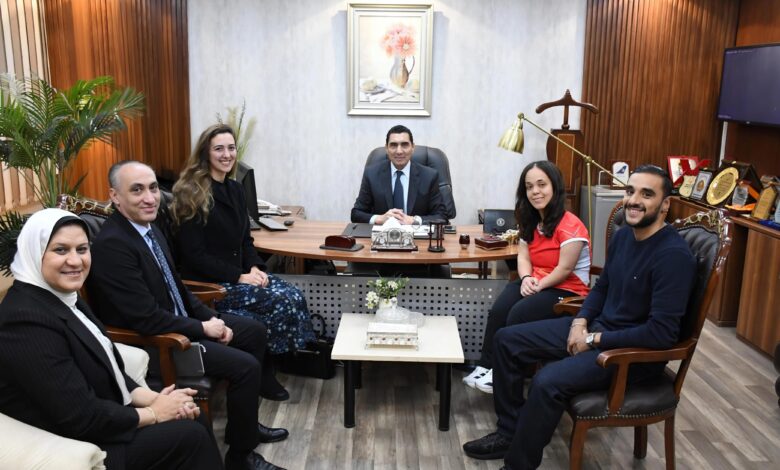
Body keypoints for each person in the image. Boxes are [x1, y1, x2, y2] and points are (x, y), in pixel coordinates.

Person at [462, 165, 697, 470]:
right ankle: (510, 433)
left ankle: (517, 465)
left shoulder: (673, 256)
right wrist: (580, 322)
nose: (634, 200)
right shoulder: (625, 237)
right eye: (630, 191)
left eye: (646, 194)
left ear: (665, 204)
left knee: (546, 381)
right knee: (506, 340)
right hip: (599, 330)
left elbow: (661, 334)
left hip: (629, 354)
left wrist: (594, 339)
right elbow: (602, 289)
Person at [86, 161, 287, 470]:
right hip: (158, 344)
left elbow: (176, 286)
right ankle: (240, 458)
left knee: (255, 331)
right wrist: (203, 328)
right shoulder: (113, 245)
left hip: (179, 324)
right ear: (115, 196)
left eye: (153, 188)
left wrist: (211, 319)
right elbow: (145, 319)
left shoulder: (149, 229)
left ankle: (243, 427)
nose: (149, 198)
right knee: (245, 367)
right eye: (137, 190)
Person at [0, 208, 224, 470]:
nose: (75, 261)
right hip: (76, 443)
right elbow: (79, 417)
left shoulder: (64, 297)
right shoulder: (24, 320)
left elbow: (108, 368)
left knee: (190, 417)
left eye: (82, 249)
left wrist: (154, 399)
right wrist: (154, 413)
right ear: (34, 252)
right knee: (190, 436)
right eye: (61, 250)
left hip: (102, 418)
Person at [170, 124, 315, 356]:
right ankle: (274, 362)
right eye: (219, 149)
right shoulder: (192, 194)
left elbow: (245, 240)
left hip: (239, 276)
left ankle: (290, 357)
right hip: (212, 285)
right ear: (206, 153)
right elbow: (194, 256)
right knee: (280, 301)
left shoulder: (235, 189)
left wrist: (255, 267)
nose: (227, 154)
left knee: (294, 294)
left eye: (231, 148)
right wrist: (240, 276)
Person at [464, 161, 591, 394]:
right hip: (536, 281)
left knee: (519, 313)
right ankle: (486, 365)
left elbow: (564, 269)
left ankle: (503, 373)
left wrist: (537, 285)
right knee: (499, 309)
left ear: (555, 187)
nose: (535, 191)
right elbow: (524, 256)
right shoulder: (531, 220)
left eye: (542, 185)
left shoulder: (571, 225)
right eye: (529, 186)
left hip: (567, 290)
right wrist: (525, 279)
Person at [351, 124, 448, 225]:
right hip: (383, 233)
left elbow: (441, 216)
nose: (399, 151)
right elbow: (356, 213)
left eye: (404, 145)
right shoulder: (371, 174)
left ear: (413, 147)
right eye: (393, 145)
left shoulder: (429, 176)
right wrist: (379, 218)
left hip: (416, 233)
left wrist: (414, 220)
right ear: (386, 148)